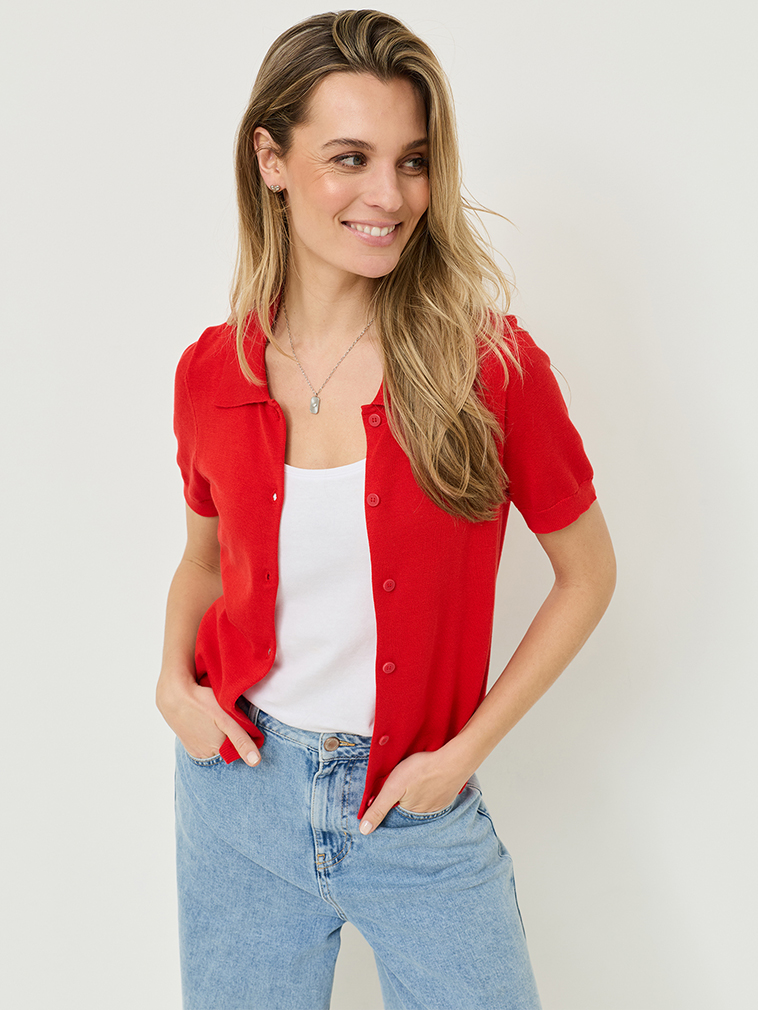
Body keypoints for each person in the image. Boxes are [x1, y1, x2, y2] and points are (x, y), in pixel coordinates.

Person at [156, 9, 616, 1010]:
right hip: (236, 796)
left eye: (411, 161)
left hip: (414, 812)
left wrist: (461, 755)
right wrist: (170, 680)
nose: (389, 195)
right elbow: (204, 560)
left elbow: (587, 575)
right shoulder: (211, 372)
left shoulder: (489, 369)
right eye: (349, 158)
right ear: (271, 161)